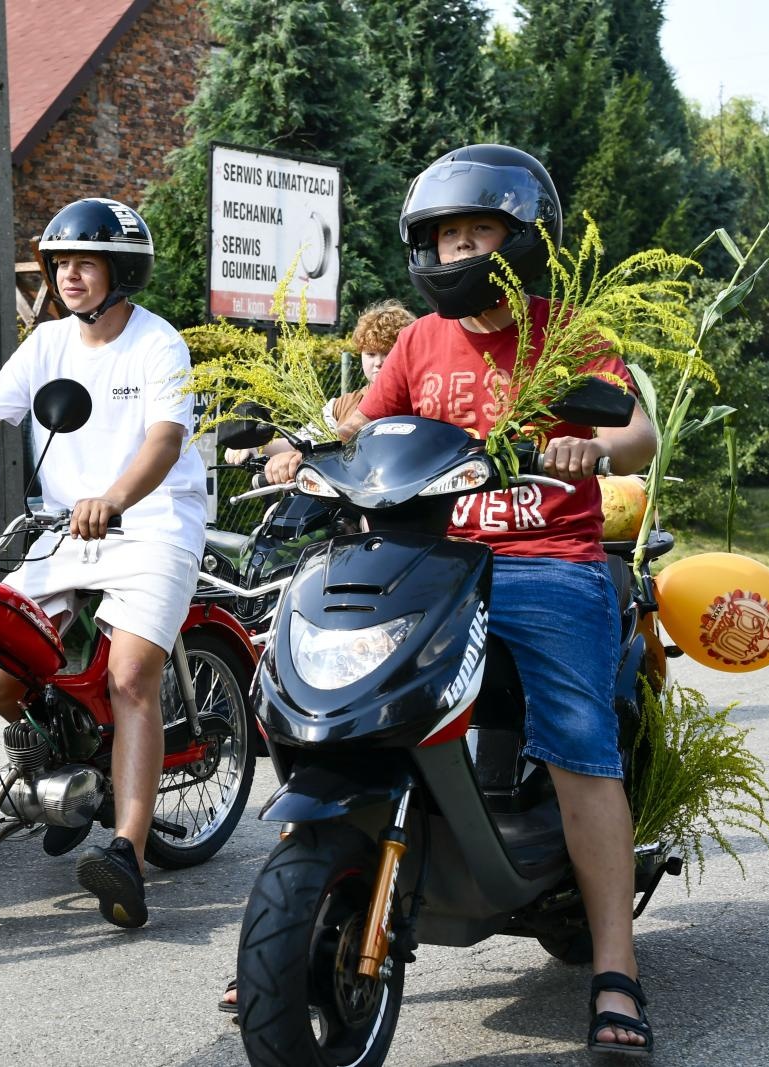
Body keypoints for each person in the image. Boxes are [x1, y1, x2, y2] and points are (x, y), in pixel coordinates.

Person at [260, 144, 658, 1054]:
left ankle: (615, 969)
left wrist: (592, 449)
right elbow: (356, 421)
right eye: (443, 235)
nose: (458, 248)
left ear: (524, 239)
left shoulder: (566, 332)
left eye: (478, 229)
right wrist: (295, 445)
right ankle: (295, 923)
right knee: (328, 697)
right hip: (431, 554)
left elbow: (633, 428)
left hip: (544, 558)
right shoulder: (419, 341)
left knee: (577, 745)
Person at [0, 197, 207, 929]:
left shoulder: (157, 344)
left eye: (86, 262)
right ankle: (61, 757)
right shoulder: (48, 341)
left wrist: (114, 495)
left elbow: (165, 441)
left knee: (129, 679)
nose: (70, 275)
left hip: (151, 525)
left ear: (121, 270)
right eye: (61, 263)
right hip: (66, 532)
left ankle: (125, 854)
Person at [223, 299, 414, 463]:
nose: (378, 363)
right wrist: (257, 447)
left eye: (387, 353)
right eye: (370, 354)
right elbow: (301, 442)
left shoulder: (421, 402)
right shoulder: (343, 406)